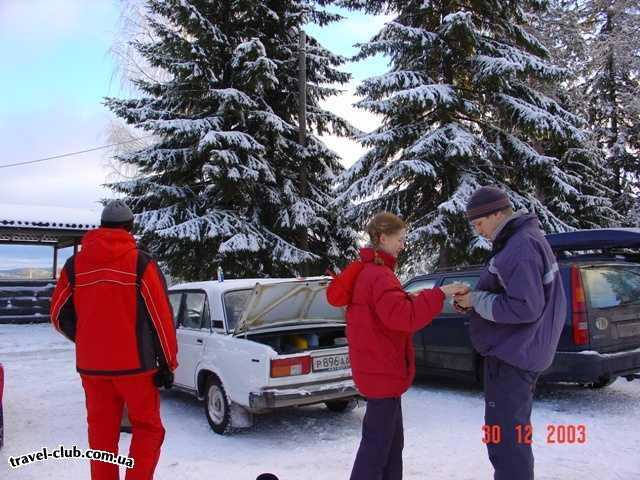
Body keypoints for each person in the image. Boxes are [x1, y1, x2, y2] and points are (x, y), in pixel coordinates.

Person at [327, 211, 469, 480]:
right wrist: (441, 293)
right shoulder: (379, 275)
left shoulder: (372, 273)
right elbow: (403, 317)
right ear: (383, 238)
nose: (404, 244)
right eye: (400, 239)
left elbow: (387, 310)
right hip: (383, 373)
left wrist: (408, 297)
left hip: (379, 371)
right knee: (377, 448)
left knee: (390, 445)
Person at [50, 200, 178, 480]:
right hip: (137, 368)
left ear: (101, 225)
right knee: (148, 429)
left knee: (101, 434)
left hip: (93, 369)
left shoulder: (75, 265)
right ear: (130, 227)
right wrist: (168, 362)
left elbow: (58, 313)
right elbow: (161, 317)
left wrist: (86, 338)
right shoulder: (140, 262)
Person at [453, 186, 566, 480]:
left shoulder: (520, 247)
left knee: (506, 441)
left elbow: (525, 307)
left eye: (479, 223)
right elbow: (513, 295)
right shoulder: (520, 241)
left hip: (513, 356)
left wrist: (476, 300)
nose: (479, 231)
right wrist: (475, 301)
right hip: (518, 352)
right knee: (507, 436)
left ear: (496, 214)